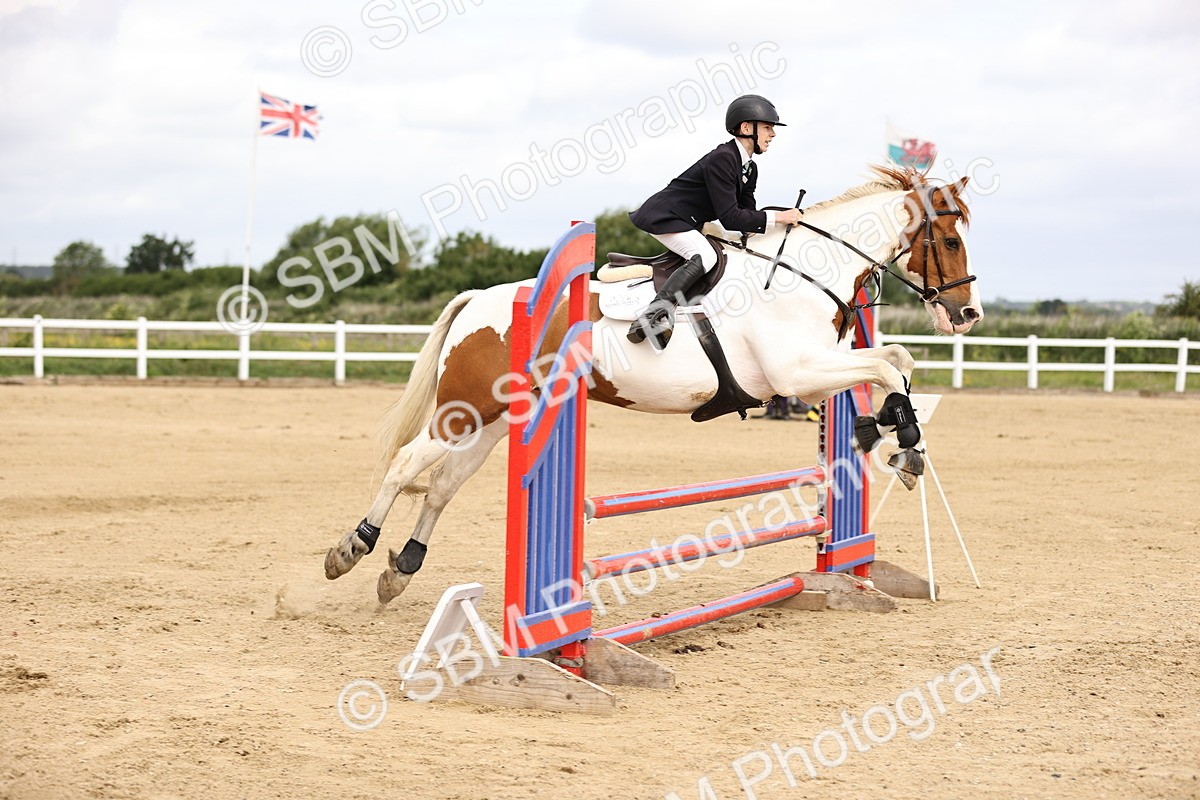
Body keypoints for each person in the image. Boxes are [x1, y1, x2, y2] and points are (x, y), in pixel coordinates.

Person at [626, 94, 804, 350]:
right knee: (705, 256)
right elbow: (730, 217)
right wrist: (779, 217)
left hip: (687, 220)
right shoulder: (723, 158)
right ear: (746, 128)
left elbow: (745, 219)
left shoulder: (749, 168)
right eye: (767, 127)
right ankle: (653, 316)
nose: (773, 134)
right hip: (666, 217)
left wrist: (778, 227)